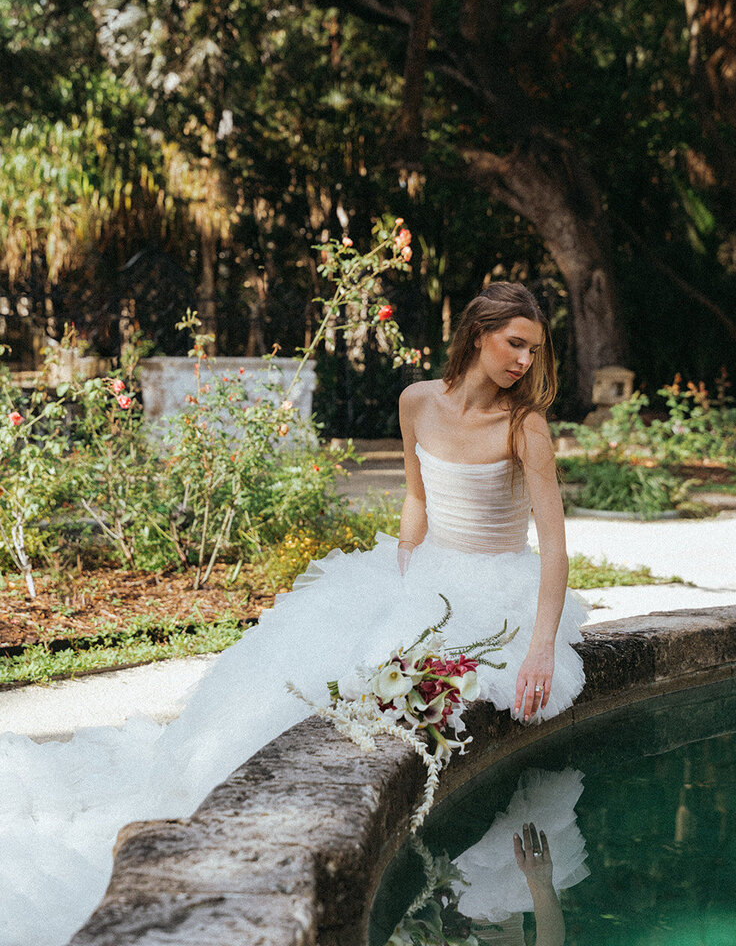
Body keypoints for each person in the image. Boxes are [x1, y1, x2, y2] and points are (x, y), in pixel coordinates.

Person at [0, 281, 586, 946]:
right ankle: (238, 830)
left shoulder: (524, 426)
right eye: (515, 344)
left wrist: (540, 645)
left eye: (534, 351)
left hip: (497, 590)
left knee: (426, 698)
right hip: (423, 578)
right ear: (478, 334)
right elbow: (417, 503)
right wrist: (402, 580)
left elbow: (555, 546)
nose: (524, 363)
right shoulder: (417, 401)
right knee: (306, 671)